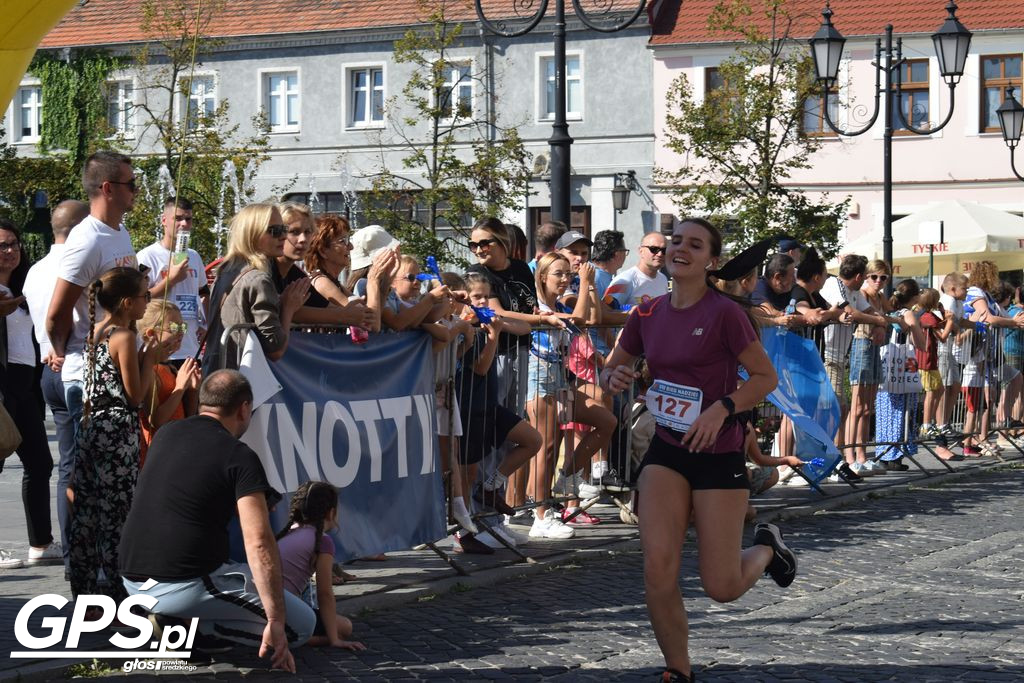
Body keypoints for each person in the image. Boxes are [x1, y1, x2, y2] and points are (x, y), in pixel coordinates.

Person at [599, 217, 793, 683]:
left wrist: (722, 409)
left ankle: (768, 547)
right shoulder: (647, 314)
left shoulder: (725, 314)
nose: (679, 249)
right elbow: (612, 367)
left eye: (694, 244)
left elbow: (765, 380)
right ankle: (678, 671)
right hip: (666, 450)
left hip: (718, 453)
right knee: (657, 567)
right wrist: (614, 377)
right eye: (675, 241)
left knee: (721, 586)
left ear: (711, 261)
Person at [120, 370, 314, 672]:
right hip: (184, 581)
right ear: (244, 408)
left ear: (202, 401)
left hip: (131, 578)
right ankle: (183, 627)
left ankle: (180, 619)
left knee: (238, 574)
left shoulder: (167, 434)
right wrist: (275, 619)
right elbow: (259, 543)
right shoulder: (239, 455)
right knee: (302, 626)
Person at [45, 152, 140, 499]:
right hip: (88, 378)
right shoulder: (86, 240)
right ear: (107, 188)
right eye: (130, 183)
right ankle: (76, 554)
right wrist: (66, 352)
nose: (137, 190)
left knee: (110, 479)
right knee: (82, 480)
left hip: (113, 369)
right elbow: (56, 315)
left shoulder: (119, 231)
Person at [69, 267, 165, 601]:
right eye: (145, 295)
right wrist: (150, 358)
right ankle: (119, 595)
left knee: (87, 511)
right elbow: (135, 395)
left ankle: (84, 591)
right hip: (116, 432)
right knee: (118, 514)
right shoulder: (124, 336)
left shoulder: (98, 330)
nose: (147, 301)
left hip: (92, 427)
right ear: (127, 302)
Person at [527, 254, 616, 539]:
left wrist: (587, 288)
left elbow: (588, 320)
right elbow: (578, 319)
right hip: (538, 375)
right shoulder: (537, 305)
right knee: (547, 446)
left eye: (568, 274)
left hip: (559, 377)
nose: (566, 279)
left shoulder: (560, 303)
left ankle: (567, 480)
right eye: (559, 274)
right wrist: (588, 281)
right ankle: (541, 515)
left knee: (606, 421)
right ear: (543, 277)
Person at [22, 199, 89, 571]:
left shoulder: (35, 271)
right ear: (80, 229)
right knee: (89, 466)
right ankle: (83, 554)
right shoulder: (77, 265)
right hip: (75, 366)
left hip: (49, 368)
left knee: (69, 466)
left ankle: (71, 555)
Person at [0, 220, 60, 570]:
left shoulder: (26, 286)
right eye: (3, 245)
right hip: (2, 381)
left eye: (14, 244)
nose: (10, 251)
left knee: (39, 463)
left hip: (27, 381)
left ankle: (40, 542)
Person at [202, 204, 310, 374]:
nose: (283, 236)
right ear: (253, 234)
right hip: (238, 379)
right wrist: (288, 308)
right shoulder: (259, 279)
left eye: (283, 229)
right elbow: (276, 350)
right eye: (275, 231)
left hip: (215, 372)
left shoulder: (227, 270)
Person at [276, 481, 365, 650]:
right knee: (345, 627)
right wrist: (334, 640)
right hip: (281, 608)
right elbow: (325, 594)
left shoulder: (290, 531)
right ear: (331, 513)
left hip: (264, 604)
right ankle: (291, 639)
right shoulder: (323, 541)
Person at [273, 203, 375, 329]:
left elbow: (328, 309)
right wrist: (375, 282)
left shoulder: (296, 275)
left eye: (308, 232)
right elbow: (279, 310)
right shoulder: (263, 271)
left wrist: (351, 312)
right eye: (294, 232)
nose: (303, 239)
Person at [135, 197, 208, 364]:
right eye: (178, 218)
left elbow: (204, 292)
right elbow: (139, 298)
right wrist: (171, 280)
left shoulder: (194, 256)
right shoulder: (147, 256)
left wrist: (205, 323)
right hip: (160, 349)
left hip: (190, 348)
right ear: (164, 220)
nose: (183, 224)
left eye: (188, 219)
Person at [137, 300, 201, 467]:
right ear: (150, 334)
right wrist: (180, 387)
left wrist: (193, 390)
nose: (180, 333)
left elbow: (187, 415)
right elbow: (156, 421)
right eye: (174, 327)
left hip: (176, 449)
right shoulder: (148, 371)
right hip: (157, 457)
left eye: (182, 327)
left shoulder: (169, 367)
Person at [304, 214, 393, 333]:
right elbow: (371, 326)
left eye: (349, 240)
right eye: (343, 241)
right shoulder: (321, 282)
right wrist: (373, 280)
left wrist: (387, 279)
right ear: (323, 250)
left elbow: (375, 316)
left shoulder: (334, 282)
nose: (350, 247)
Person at [915, 288, 954, 441]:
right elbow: (943, 336)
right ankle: (926, 425)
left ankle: (929, 422)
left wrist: (944, 313)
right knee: (931, 392)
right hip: (926, 360)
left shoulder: (928, 316)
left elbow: (941, 325)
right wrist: (950, 321)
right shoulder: (927, 317)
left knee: (940, 389)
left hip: (931, 360)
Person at [604, 231, 669, 311]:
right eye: (654, 249)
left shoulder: (663, 279)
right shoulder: (625, 280)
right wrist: (634, 315)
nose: (660, 254)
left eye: (664, 250)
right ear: (641, 251)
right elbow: (605, 313)